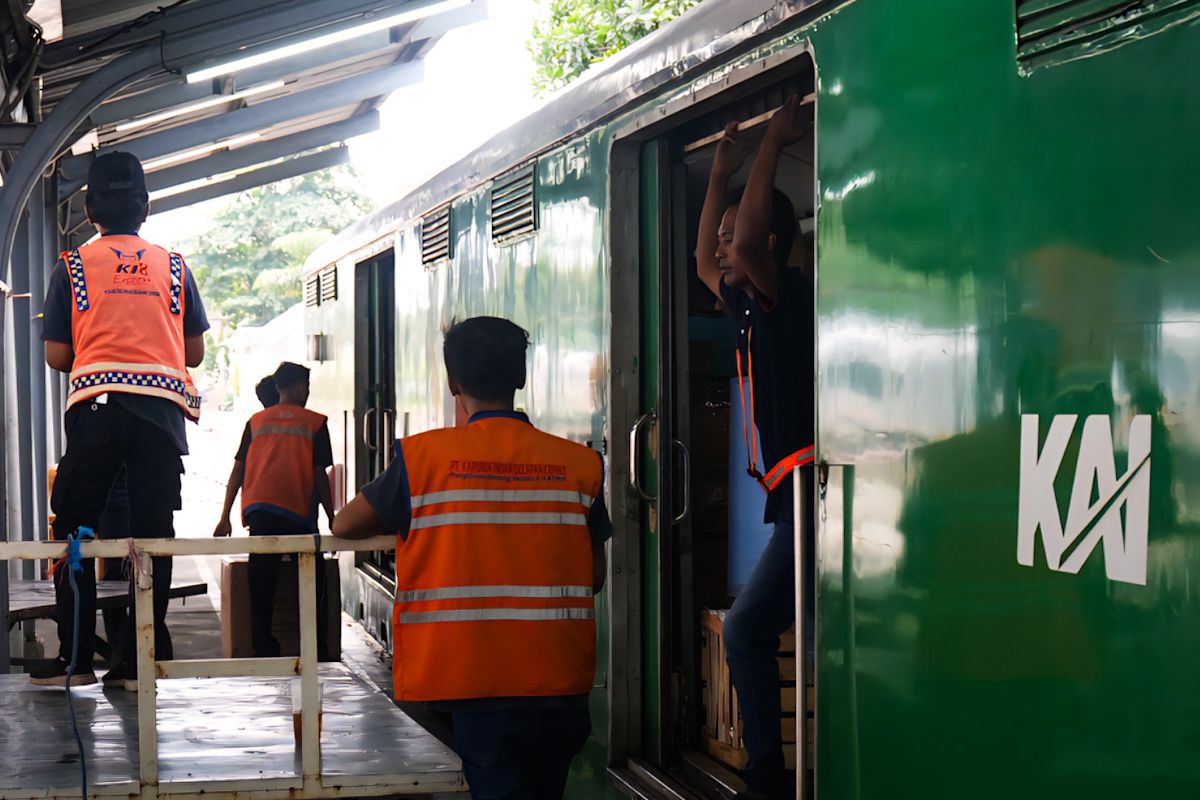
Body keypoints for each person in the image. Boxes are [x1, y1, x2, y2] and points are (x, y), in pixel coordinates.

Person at [332, 316, 611, 800]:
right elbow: (595, 576)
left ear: (453, 382)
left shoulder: (424, 459)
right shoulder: (579, 464)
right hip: (561, 680)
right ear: (521, 376)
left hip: (475, 680)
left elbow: (344, 525)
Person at [31, 151, 208, 690]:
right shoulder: (174, 267)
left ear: (89, 210)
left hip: (98, 411)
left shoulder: (73, 266)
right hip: (161, 417)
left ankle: (77, 659)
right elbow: (194, 353)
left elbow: (57, 356)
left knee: (76, 530)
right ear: (146, 209)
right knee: (153, 535)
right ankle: (137, 661)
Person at [694, 95, 813, 799]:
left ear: (768, 242)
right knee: (760, 629)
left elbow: (738, 252)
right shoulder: (744, 304)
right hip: (786, 495)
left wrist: (772, 143)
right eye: (720, 234)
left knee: (744, 632)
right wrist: (719, 177)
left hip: (805, 492)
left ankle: (768, 777)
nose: (721, 246)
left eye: (734, 235)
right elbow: (705, 261)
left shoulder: (782, 295)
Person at [213, 363, 334, 659]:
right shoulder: (315, 422)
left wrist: (225, 516)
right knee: (311, 579)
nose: (307, 392)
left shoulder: (256, 422)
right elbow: (319, 476)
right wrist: (333, 518)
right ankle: (315, 647)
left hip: (261, 511)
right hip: (298, 512)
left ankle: (263, 646)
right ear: (299, 387)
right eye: (306, 386)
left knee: (261, 582)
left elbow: (238, 471)